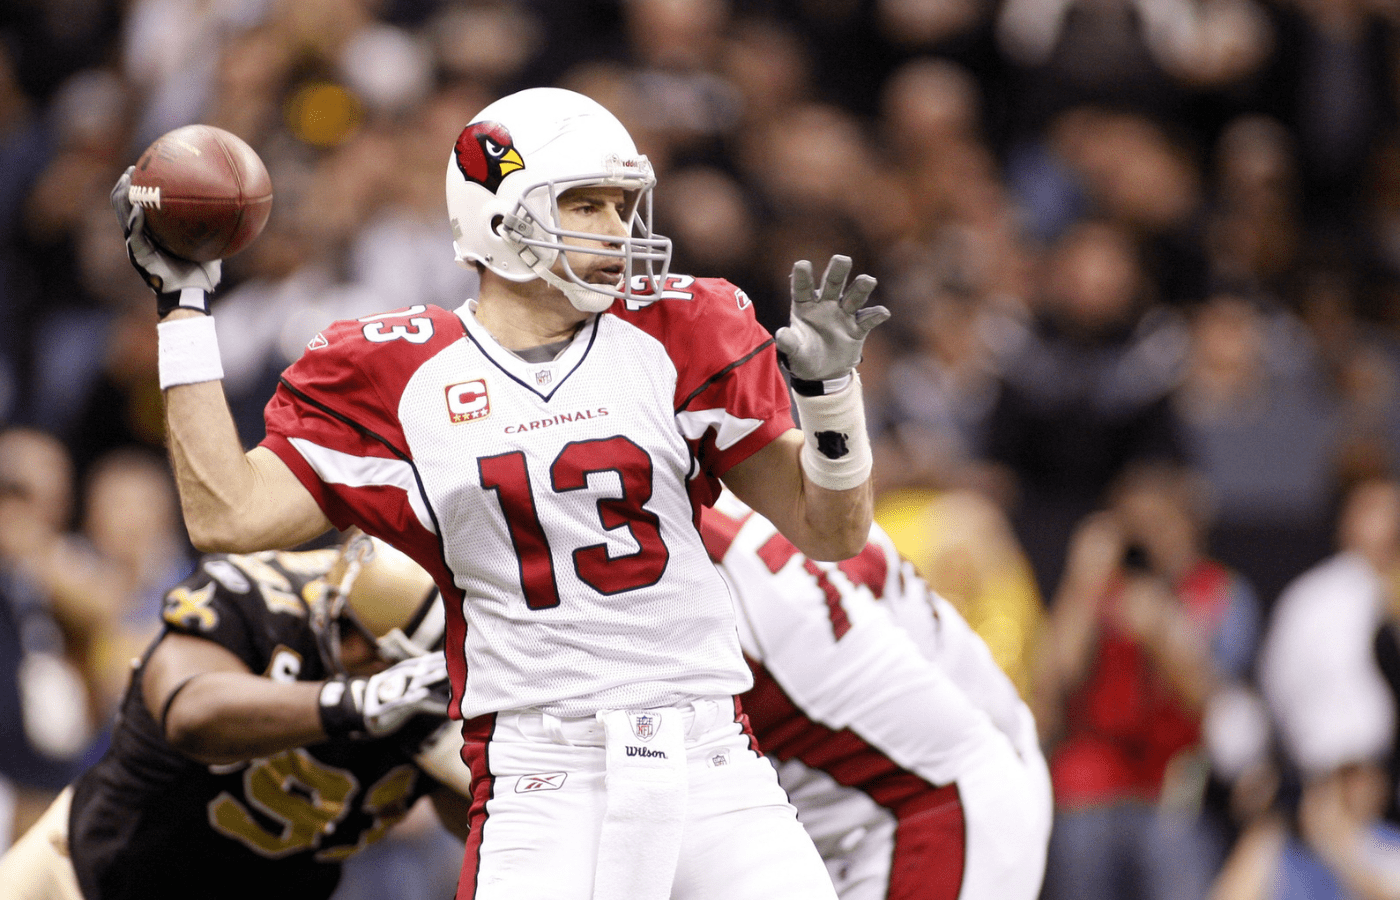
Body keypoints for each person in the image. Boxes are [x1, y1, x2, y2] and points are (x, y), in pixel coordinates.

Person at [109, 86, 889, 900]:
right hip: (544, 777)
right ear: (498, 218)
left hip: (715, 763)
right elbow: (226, 513)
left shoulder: (678, 332)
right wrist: (184, 307)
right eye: (584, 205)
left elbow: (831, 530)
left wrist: (831, 395)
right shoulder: (398, 374)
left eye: (624, 206)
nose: (619, 232)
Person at [0, 532, 470, 900]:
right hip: (83, 873)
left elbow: (478, 835)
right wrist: (363, 701)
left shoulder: (456, 687)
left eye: (375, 652)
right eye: (345, 622)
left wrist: (482, 776)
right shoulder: (259, 593)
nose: (345, 647)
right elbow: (188, 713)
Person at [700, 491, 1051, 900]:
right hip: (861, 805)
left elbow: (954, 763)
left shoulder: (731, 586)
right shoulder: (714, 495)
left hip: (925, 802)